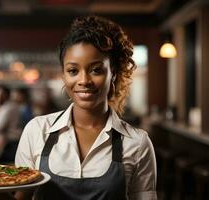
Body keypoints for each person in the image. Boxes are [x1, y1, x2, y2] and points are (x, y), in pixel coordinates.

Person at [13, 15, 157, 200]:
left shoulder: (137, 143)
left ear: (113, 73)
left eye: (96, 70)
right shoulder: (37, 131)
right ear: (64, 76)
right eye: (73, 71)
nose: (84, 81)